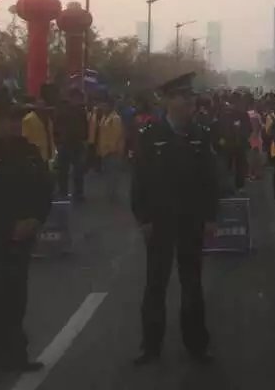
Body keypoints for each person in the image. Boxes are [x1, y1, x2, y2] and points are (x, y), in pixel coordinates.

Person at [131, 72, 219, 366]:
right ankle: (150, 346)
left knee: (192, 284)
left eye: (191, 96)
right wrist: (143, 218)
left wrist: (211, 217)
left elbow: (210, 180)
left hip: (191, 221)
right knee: (155, 285)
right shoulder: (150, 135)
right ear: (168, 101)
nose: (189, 102)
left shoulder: (200, 135)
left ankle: (197, 344)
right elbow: (140, 180)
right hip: (160, 222)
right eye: (183, 97)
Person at [0, 99, 53, 383]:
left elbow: (45, 189)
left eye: (16, 119)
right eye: (5, 119)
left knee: (15, 298)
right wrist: (9, 227)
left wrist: (35, 219)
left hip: (21, 239)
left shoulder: (29, 153)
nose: (12, 125)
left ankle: (14, 354)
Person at [54, 89, 89, 202]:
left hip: (77, 143)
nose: (77, 100)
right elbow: (56, 125)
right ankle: (63, 191)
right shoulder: (63, 110)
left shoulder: (81, 111)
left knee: (78, 170)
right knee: (63, 170)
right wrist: (58, 141)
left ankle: (78, 193)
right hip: (65, 143)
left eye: (79, 98)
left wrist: (84, 138)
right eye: (76, 98)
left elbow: (85, 126)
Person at [91, 97, 126, 203]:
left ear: (110, 106)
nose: (102, 107)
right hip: (105, 150)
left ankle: (113, 194)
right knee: (109, 173)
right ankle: (110, 193)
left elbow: (117, 135)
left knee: (113, 173)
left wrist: (111, 148)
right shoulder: (104, 117)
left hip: (113, 151)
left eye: (105, 105)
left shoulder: (115, 118)